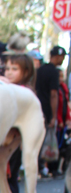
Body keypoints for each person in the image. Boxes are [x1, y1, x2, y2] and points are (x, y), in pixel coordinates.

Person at [3, 51, 35, 193]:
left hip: (15, 139)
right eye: (7, 68)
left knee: (10, 174)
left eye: (14, 69)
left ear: (26, 72)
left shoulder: (24, 92)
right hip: (6, 139)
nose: (9, 72)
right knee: (6, 174)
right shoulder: (9, 89)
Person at [35, 45, 65, 176]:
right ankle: (40, 166)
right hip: (46, 110)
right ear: (58, 57)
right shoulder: (54, 72)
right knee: (42, 140)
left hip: (36, 108)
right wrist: (53, 116)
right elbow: (54, 94)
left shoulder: (40, 70)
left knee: (36, 140)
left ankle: (38, 166)